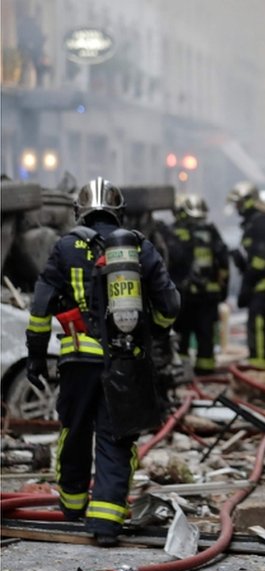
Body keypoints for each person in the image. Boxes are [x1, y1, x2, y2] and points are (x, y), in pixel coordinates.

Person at [25, 177, 180, 546]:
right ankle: (106, 524)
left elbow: (40, 308)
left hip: (77, 360)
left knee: (73, 431)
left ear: (80, 212)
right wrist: (152, 332)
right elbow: (170, 306)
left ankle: (73, 505)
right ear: (119, 212)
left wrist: (35, 357)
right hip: (124, 363)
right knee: (115, 437)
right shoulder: (137, 247)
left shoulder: (64, 248)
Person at [167, 194, 230, 375]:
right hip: (209, 295)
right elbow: (223, 262)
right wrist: (222, 290)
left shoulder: (174, 233)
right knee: (206, 334)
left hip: (185, 294)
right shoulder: (211, 232)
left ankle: (184, 371)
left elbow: (169, 264)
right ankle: (206, 370)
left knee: (182, 333)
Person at [226, 181, 265, 369]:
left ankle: (259, 367)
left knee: (258, 326)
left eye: (239, 204)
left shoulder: (262, 223)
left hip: (263, 284)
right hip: (259, 283)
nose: (237, 209)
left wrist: (247, 285)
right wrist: (239, 259)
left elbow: (261, 261)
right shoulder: (253, 223)